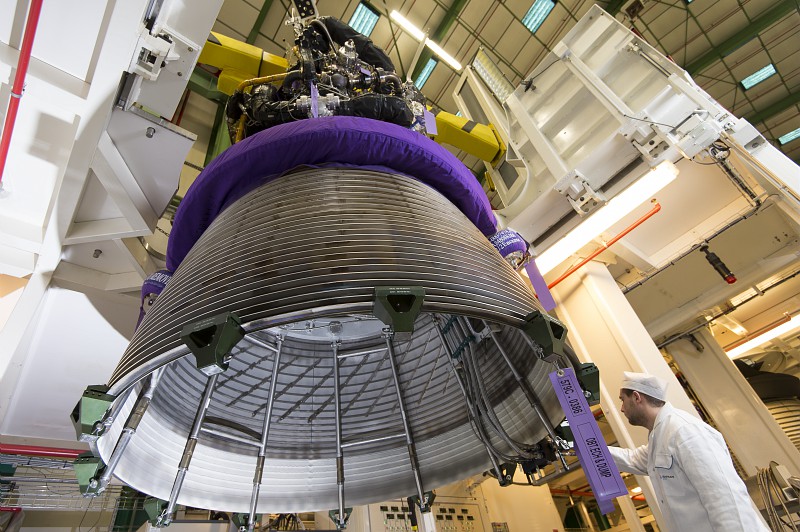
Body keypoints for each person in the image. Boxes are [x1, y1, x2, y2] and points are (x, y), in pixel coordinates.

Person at [608, 371, 769, 532]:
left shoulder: (684, 431)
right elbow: (632, 459)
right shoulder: (660, 436)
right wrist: (586, 448)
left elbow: (724, 498)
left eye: (622, 400)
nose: (621, 409)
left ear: (636, 397)